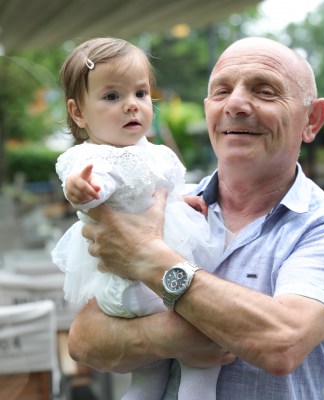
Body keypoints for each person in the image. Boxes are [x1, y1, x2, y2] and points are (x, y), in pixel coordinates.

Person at [69, 37, 324, 400]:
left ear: (312, 120)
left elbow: (282, 344)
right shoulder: (166, 202)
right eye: (222, 91)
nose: (236, 104)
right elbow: (83, 340)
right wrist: (170, 337)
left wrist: (145, 255)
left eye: (265, 91)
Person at [51, 37, 221, 400]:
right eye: (112, 96)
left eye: (141, 93)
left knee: (148, 375)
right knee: (205, 339)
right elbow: (94, 181)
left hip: (145, 282)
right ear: (78, 113)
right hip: (134, 285)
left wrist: (182, 201)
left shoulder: (153, 153)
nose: (132, 104)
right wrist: (83, 188)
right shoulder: (95, 158)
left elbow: (158, 192)